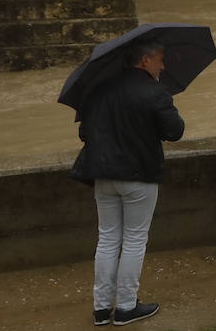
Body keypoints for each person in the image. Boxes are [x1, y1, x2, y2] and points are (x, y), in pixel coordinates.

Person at [72, 41, 185, 326]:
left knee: (108, 238)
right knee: (134, 239)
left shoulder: (98, 91)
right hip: (139, 176)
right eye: (160, 59)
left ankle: (101, 308)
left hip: (103, 175)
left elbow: (85, 133)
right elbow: (175, 131)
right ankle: (125, 307)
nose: (163, 65)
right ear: (145, 61)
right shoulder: (155, 92)